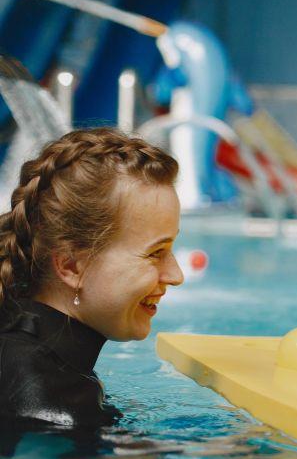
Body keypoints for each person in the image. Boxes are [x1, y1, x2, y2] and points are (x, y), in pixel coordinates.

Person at [0, 128, 183, 428]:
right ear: (71, 266)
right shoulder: (46, 403)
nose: (176, 275)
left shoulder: (33, 362)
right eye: (155, 253)